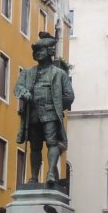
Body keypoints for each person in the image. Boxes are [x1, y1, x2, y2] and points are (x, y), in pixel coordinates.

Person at [13, 31, 74, 183]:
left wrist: (57, 105)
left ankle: (51, 173)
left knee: (52, 142)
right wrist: (25, 93)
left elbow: (69, 96)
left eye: (41, 50)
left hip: (51, 113)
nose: (38, 53)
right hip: (33, 114)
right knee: (35, 147)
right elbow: (18, 88)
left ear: (49, 52)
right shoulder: (27, 73)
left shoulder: (60, 74)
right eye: (36, 51)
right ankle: (34, 177)